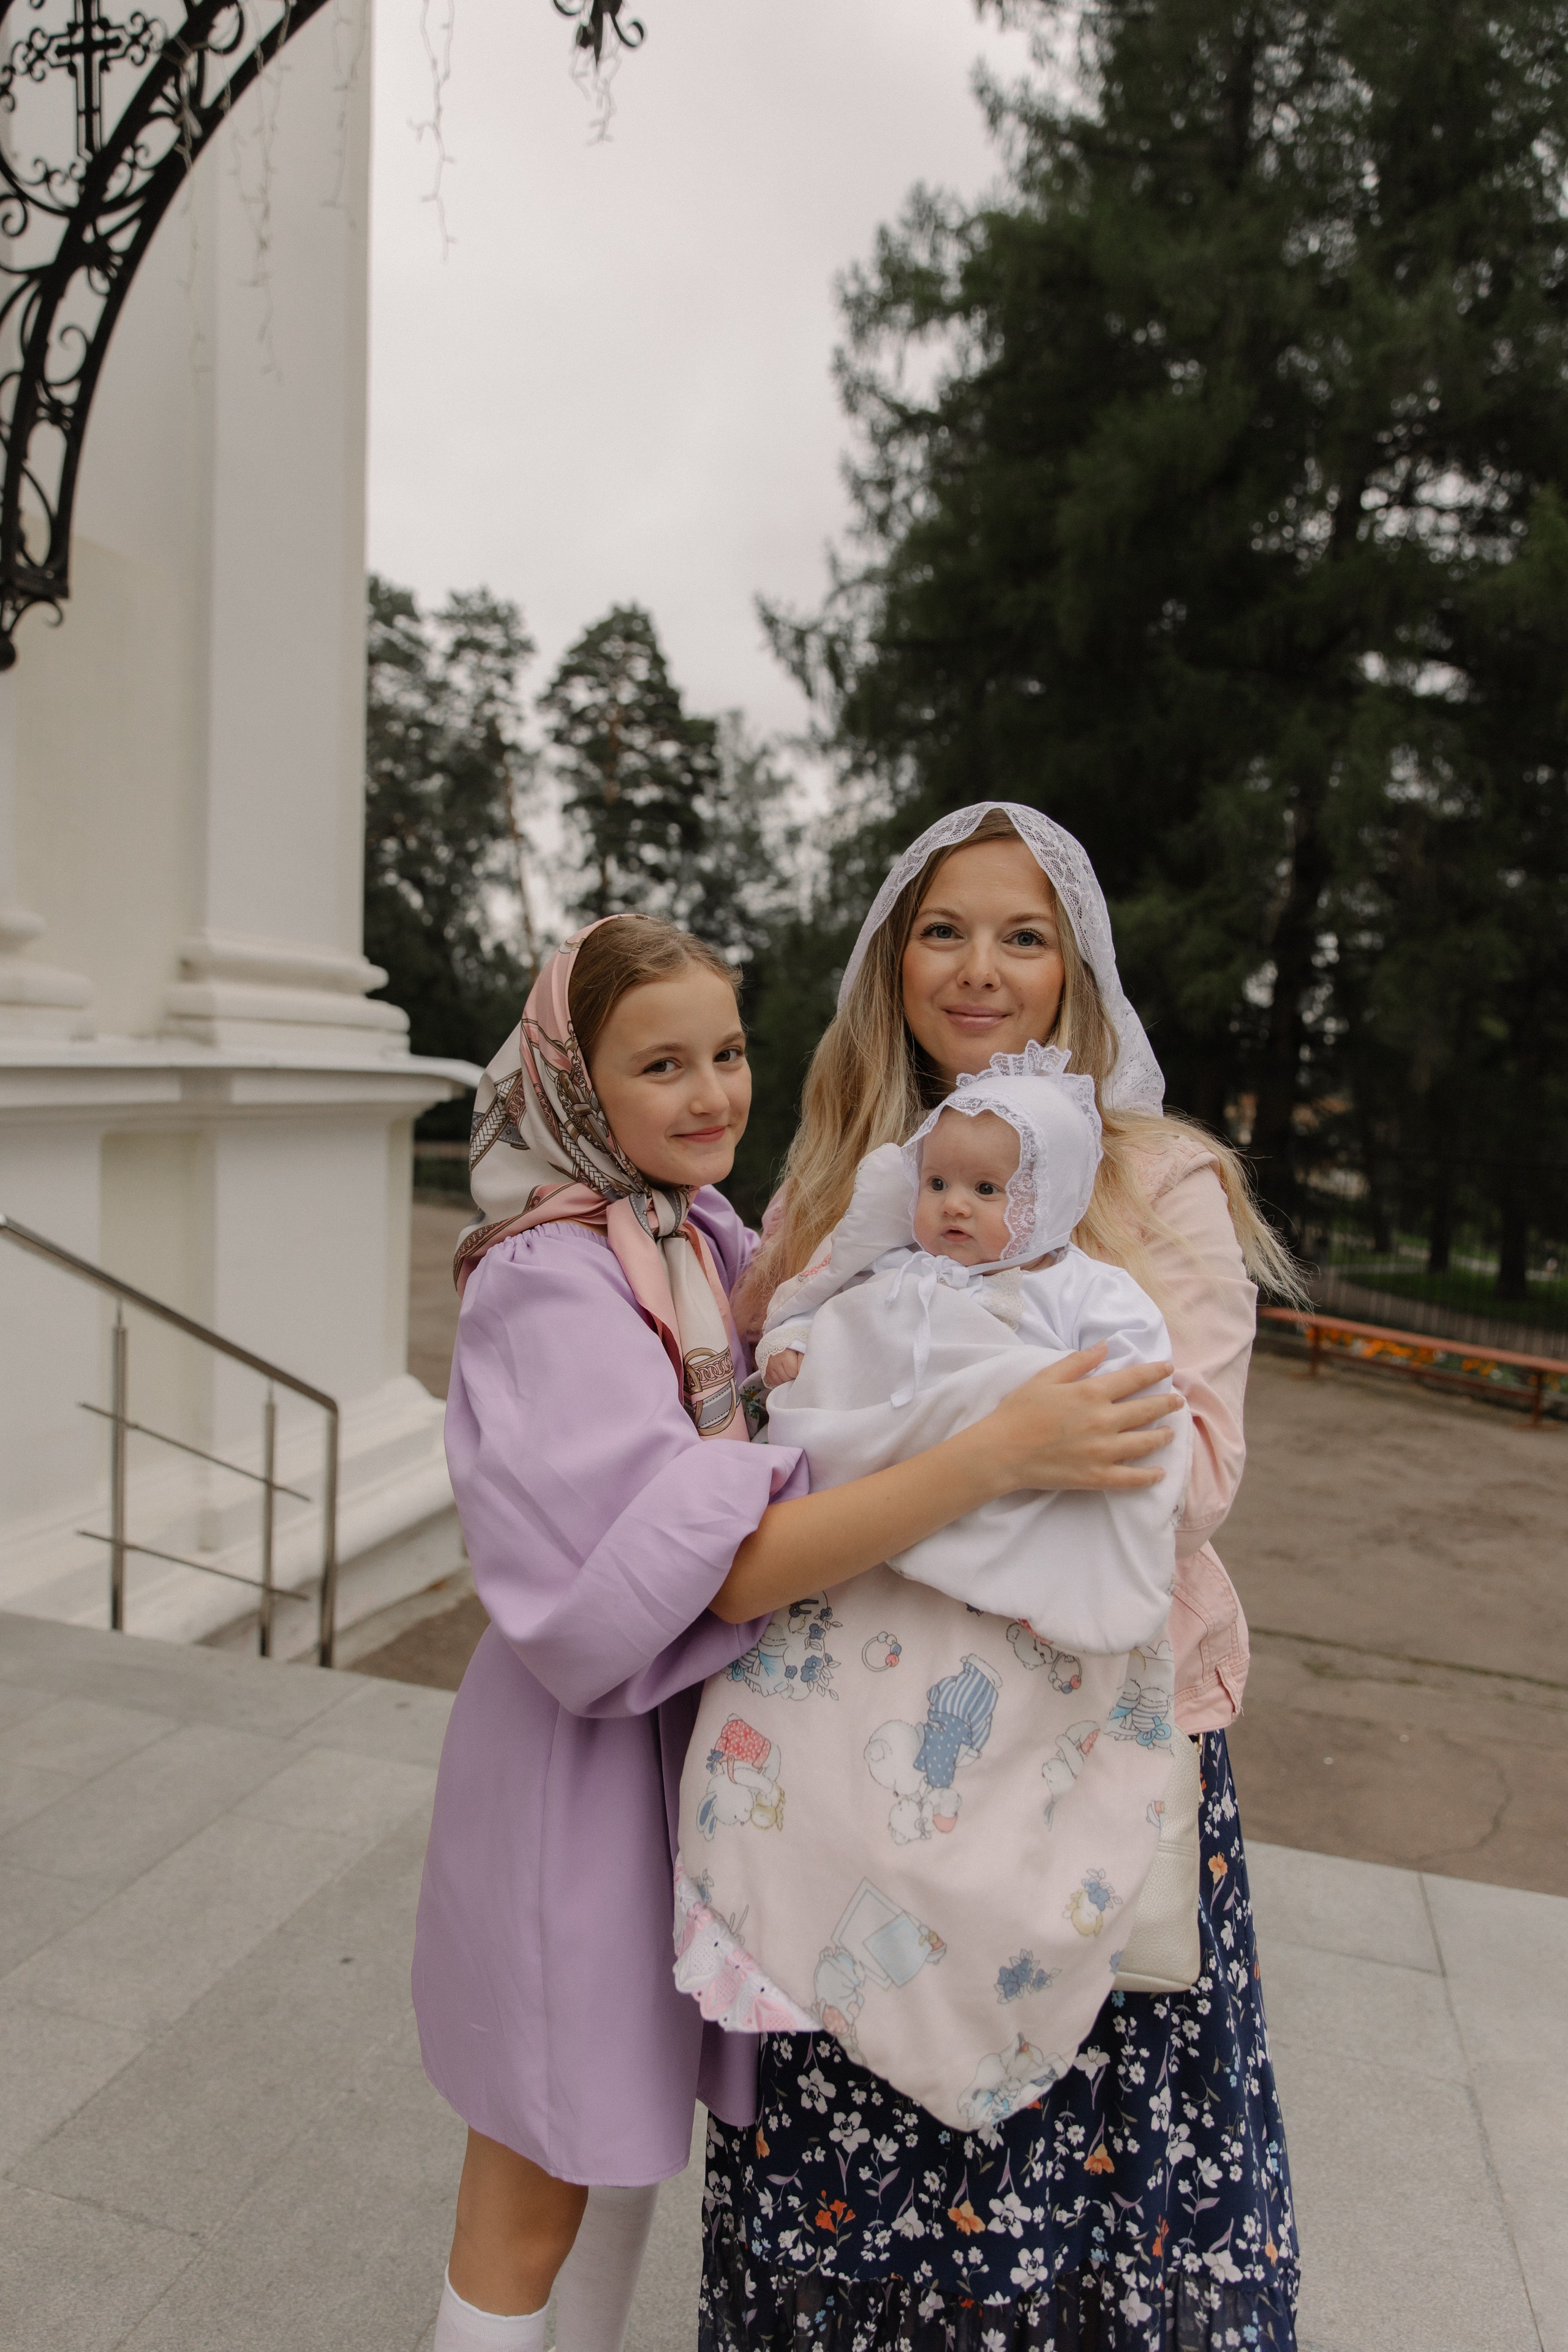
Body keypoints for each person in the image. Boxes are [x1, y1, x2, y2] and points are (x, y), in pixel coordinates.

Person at [410, 908, 1183, 2352]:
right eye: (659, 1066)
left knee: (616, 2141)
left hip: (673, 1740)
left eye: (726, 1052)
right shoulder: (547, 1279)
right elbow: (703, 1567)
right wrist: (991, 1452)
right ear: (575, 1085)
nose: (711, 1094)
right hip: (577, 1764)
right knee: (534, 2170)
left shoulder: (694, 1233)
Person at [703, 802, 1302, 2352]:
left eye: (1022, 936)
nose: (978, 969)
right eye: (943, 931)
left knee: (1075, 2174)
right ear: (892, 960)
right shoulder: (845, 1177)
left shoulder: (1156, 1180)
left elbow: (1190, 1479)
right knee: (855, 2152)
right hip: (850, 1767)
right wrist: (998, 1442)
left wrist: (918, 1441)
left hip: (1076, 1746)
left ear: (1074, 969)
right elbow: (761, 1422)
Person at [669, 1044, 1196, 2132]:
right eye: (940, 1182)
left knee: (978, 1815)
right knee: (836, 1782)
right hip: (879, 1537)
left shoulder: (1084, 1291)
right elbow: (809, 1350)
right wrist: (802, 1354)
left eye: (990, 1190)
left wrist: (1018, 1417)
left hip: (1016, 1553)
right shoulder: (892, 1278)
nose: (955, 1207)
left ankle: (959, 1993)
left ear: (1052, 1197)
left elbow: (1147, 1408)